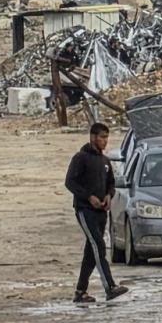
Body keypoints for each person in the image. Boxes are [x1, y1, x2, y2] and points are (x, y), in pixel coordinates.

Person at [65, 123, 129, 304]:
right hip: (85, 210)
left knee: (91, 252)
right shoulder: (80, 158)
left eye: (106, 137)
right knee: (99, 246)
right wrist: (88, 197)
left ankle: (80, 291)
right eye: (102, 137)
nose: (105, 141)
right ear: (93, 137)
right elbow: (70, 182)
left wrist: (109, 196)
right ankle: (110, 287)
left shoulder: (105, 161)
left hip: (101, 212)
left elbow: (111, 183)